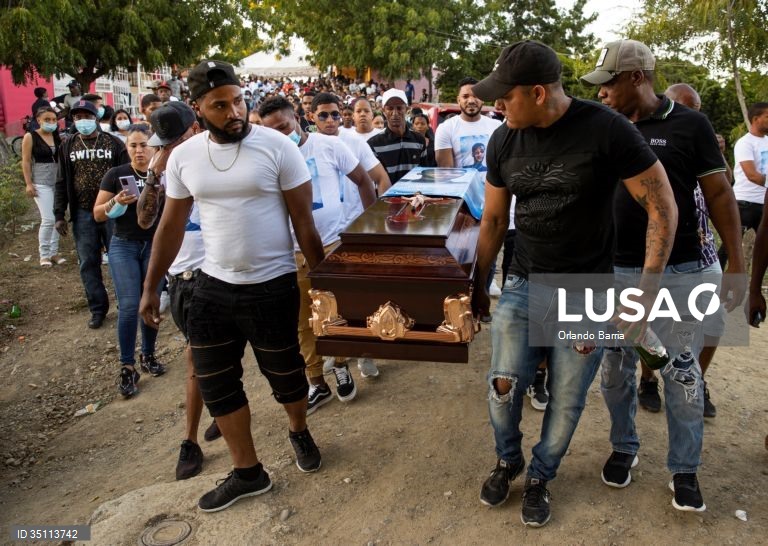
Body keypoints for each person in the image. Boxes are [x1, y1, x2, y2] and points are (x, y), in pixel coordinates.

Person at [472, 40, 676, 527]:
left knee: (566, 398)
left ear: (538, 93)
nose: (497, 104)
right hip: (524, 281)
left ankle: (541, 475)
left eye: (506, 95)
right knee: (503, 384)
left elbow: (662, 205)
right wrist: (478, 283)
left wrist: (644, 294)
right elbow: (494, 219)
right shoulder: (503, 140)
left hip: (587, 291)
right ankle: (508, 459)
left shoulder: (606, 129)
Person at [139, 59, 325, 512]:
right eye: (220, 105)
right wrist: (150, 288)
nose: (234, 111)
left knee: (287, 377)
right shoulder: (185, 157)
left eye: (239, 101)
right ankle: (248, 471)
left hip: (272, 285)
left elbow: (304, 223)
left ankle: (298, 429)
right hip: (212, 286)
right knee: (216, 382)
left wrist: (323, 284)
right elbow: (170, 226)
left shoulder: (277, 147)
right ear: (198, 109)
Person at [582, 39, 744, 512]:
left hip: (681, 270)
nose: (601, 92)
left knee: (682, 371)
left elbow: (719, 195)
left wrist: (736, 263)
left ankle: (684, 469)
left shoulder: (690, 125)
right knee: (616, 369)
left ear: (637, 77)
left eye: (609, 82)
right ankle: (624, 446)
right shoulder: (600, 124)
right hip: (617, 269)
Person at [259, 96, 377, 414]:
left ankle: (340, 365)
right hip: (292, 251)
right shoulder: (267, 158)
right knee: (304, 320)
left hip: (333, 245)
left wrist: (369, 230)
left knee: (338, 311)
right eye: (271, 132)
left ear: (297, 119)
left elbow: (364, 181)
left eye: (284, 127)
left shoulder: (329, 146)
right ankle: (316, 382)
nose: (280, 136)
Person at [630, 82, 727, 418]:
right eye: (684, 108)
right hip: (656, 250)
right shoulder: (643, 137)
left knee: (714, 322)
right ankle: (648, 379)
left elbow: (721, 190)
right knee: (651, 321)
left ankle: (696, 379)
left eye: (695, 110)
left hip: (701, 249)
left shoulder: (697, 134)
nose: (689, 115)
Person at [134, 101, 221, 479]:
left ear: (196, 130)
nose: (170, 149)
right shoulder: (165, 171)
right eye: (164, 144)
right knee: (201, 358)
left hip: (219, 271)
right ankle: (206, 423)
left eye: (176, 141)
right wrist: (154, 174)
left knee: (204, 357)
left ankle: (200, 430)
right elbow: (145, 220)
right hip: (183, 277)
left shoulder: (219, 160)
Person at [308, 91, 391, 380]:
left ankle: (366, 353)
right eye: (323, 115)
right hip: (323, 236)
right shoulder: (304, 145)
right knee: (329, 299)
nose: (330, 120)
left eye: (335, 114)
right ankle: (337, 351)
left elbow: (380, 179)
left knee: (359, 297)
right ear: (312, 117)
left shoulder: (353, 142)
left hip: (354, 231)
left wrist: (374, 225)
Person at [93, 124, 166, 396]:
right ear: (126, 148)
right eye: (133, 145)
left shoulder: (164, 174)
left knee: (152, 301)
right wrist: (116, 203)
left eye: (144, 145)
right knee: (129, 306)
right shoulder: (116, 174)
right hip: (123, 245)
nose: (139, 151)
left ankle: (148, 354)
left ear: (154, 146)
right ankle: (127, 366)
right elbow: (98, 214)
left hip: (155, 246)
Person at [54, 99, 128, 329]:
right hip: (83, 212)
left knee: (119, 258)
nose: (82, 120)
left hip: (113, 211)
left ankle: (125, 305)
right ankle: (98, 309)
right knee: (88, 261)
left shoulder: (114, 143)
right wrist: (59, 214)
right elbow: (61, 180)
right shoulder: (67, 146)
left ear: (95, 117)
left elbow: (126, 176)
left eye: (86, 116)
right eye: (77, 117)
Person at [717, 102, 768, 268]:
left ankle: (756, 282)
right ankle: (714, 278)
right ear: (755, 119)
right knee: (729, 247)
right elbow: (752, 175)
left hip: (764, 202)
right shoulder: (745, 143)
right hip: (744, 204)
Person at [21, 107, 64, 267]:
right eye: (47, 119)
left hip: (57, 181)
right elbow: (26, 161)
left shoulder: (56, 136)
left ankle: (54, 252)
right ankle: (44, 254)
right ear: (38, 120)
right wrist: (28, 183)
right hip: (41, 182)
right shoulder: (30, 136)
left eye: (54, 120)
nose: (51, 122)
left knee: (57, 217)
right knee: (48, 219)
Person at [435, 77, 501, 171]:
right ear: (458, 100)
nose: (471, 101)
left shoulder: (497, 126)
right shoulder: (445, 128)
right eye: (465, 96)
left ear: (482, 99)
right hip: (459, 181)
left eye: (476, 96)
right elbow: (446, 172)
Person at [368, 89, 429, 184]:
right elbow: (376, 181)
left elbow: (424, 175)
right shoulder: (374, 144)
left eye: (399, 108)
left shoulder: (419, 140)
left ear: (407, 110)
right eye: (390, 108)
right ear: (383, 111)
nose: (395, 113)